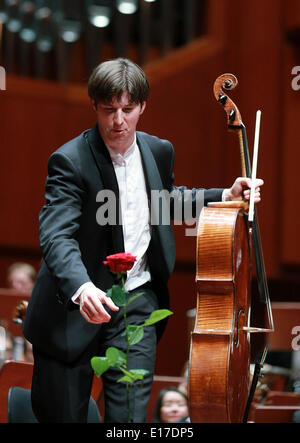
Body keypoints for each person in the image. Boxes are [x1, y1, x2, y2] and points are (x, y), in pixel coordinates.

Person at [23, 58, 263, 423]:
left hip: (136, 299)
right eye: (108, 110)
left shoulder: (158, 150)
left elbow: (165, 202)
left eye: (127, 109)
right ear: (95, 107)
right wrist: (82, 288)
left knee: (130, 420)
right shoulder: (70, 161)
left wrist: (225, 194)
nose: (118, 120)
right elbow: (57, 235)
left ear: (142, 107)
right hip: (74, 310)